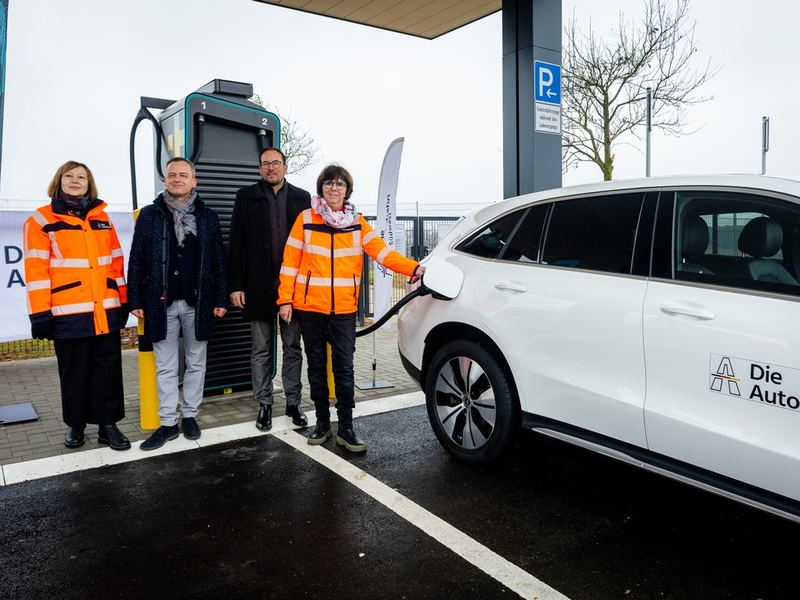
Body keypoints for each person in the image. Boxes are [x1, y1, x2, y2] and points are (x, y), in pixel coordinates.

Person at [278, 164, 425, 452]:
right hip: (310, 308)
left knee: (344, 369)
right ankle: (322, 423)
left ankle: (346, 427)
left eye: (340, 184)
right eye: (329, 183)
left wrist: (415, 267)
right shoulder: (305, 219)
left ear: (348, 190)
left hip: (344, 310)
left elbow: (384, 253)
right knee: (317, 368)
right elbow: (290, 262)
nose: (334, 188)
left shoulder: (358, 223)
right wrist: (285, 299)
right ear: (321, 188)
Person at [22, 161, 131, 451]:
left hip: (105, 311)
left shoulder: (103, 219)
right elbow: (35, 271)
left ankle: (108, 426)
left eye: (81, 177)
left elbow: (116, 264)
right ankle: (76, 426)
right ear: (59, 181)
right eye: (69, 176)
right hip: (68, 313)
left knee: (108, 372)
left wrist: (122, 300)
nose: (75, 180)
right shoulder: (41, 220)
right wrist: (40, 313)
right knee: (74, 372)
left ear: (88, 183)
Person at [127, 157, 228, 451]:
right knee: (166, 366)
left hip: (200, 302)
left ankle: (191, 416)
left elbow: (217, 260)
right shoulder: (149, 215)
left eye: (184, 175)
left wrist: (221, 297)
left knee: (196, 362)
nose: (177, 179)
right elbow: (137, 259)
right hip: (161, 303)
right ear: (165, 180)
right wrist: (135, 298)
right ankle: (168, 423)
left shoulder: (207, 216)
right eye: (172, 175)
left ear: (194, 181)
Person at [228, 147, 311, 431]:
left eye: (276, 163)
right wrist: (236, 285)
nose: (271, 168)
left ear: (285, 168)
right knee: (260, 349)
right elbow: (236, 242)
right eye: (265, 164)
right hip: (257, 286)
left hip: (293, 288)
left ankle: (293, 402)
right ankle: (264, 403)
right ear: (259, 169)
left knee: (292, 347)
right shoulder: (245, 196)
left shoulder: (302, 198)